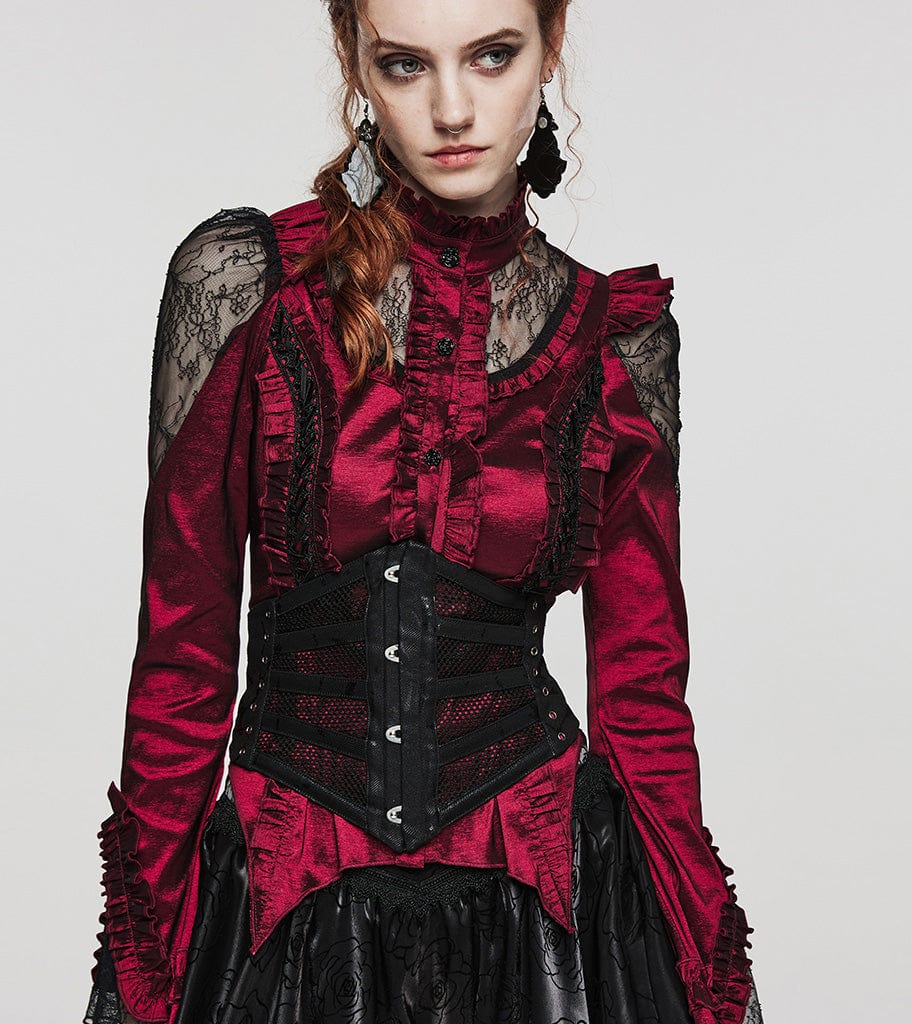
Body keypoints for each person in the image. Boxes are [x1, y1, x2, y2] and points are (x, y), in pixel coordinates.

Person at [82, 1, 764, 1022]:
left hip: (542, 910)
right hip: (290, 902)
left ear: (551, 48)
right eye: (406, 65)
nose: (452, 108)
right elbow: (182, 656)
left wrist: (709, 971)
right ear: (355, 63)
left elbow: (644, 698)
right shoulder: (245, 290)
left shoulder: (612, 344)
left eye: (492, 56)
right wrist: (143, 960)